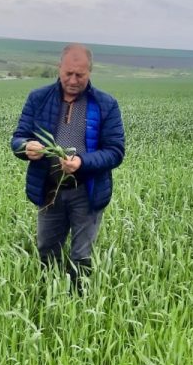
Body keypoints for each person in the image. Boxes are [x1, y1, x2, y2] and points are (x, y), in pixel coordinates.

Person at [11, 43, 125, 294]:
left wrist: (82, 163)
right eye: (68, 73)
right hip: (50, 191)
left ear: (90, 72)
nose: (73, 80)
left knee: (81, 255)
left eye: (80, 75)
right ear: (58, 69)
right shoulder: (38, 99)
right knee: (47, 248)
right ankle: (49, 298)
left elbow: (115, 152)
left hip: (86, 191)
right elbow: (18, 138)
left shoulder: (106, 104)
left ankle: (78, 305)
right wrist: (25, 147)